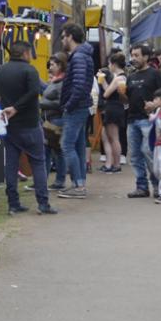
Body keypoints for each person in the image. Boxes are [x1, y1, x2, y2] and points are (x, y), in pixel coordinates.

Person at [0, 40, 58, 215]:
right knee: (38, 162)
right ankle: (43, 203)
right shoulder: (29, 70)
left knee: (11, 164)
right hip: (29, 124)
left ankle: (13, 203)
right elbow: (33, 93)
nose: (31, 56)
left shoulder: (1, 70)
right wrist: (16, 108)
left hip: (9, 126)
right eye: (30, 53)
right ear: (25, 53)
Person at [57, 23, 95, 198]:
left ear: (70, 36)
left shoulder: (78, 57)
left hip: (76, 107)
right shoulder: (84, 55)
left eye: (64, 36)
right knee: (78, 146)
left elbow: (78, 86)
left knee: (66, 145)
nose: (63, 40)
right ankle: (80, 183)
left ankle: (78, 187)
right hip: (82, 107)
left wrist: (68, 105)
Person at [125, 44, 161, 198]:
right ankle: (141, 187)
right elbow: (127, 99)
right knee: (134, 155)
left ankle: (157, 185)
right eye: (132, 55)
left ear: (146, 57)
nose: (133, 58)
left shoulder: (155, 74)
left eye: (137, 55)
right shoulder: (131, 76)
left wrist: (154, 104)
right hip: (132, 119)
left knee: (148, 152)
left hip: (149, 120)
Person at [40, 53, 68, 191]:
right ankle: (44, 180)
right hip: (50, 119)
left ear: (60, 65)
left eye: (52, 65)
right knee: (49, 150)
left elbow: (61, 103)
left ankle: (59, 181)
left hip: (57, 119)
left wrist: (42, 104)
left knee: (57, 151)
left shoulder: (62, 82)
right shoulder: (56, 81)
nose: (50, 67)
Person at [98, 52, 127, 174]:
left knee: (114, 138)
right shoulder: (124, 77)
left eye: (110, 63)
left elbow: (106, 94)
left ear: (114, 64)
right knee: (106, 136)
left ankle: (116, 164)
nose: (109, 66)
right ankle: (109, 163)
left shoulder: (118, 78)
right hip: (117, 107)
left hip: (113, 108)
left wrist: (102, 80)